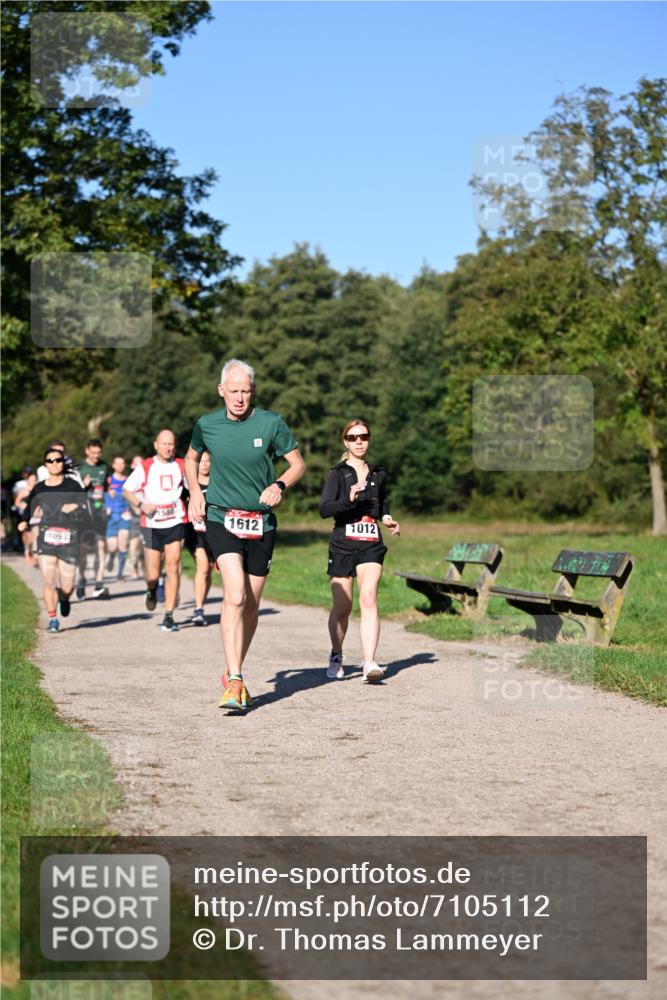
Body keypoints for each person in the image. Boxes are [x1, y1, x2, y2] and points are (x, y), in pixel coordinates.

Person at [185, 359, 306, 712]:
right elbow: (190, 459)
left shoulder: (271, 423)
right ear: (221, 390)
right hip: (221, 518)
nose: (239, 397)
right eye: (233, 391)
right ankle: (236, 680)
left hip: (261, 523)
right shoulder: (207, 424)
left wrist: (279, 484)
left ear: (253, 391)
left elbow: (297, 463)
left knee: (251, 605)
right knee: (235, 596)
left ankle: (232, 668)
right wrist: (195, 492)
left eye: (245, 391)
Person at [319, 418, 400, 682]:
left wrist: (387, 518)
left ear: (369, 439)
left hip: (370, 542)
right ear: (345, 441)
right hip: (343, 541)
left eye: (363, 436)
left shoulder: (378, 473)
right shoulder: (337, 473)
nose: (359, 441)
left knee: (369, 598)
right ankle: (336, 654)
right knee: (343, 606)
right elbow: (324, 510)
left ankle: (369, 662)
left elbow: (383, 502)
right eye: (353, 437)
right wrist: (348, 499)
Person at [17, 448, 90, 633]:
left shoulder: (73, 485)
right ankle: (52, 619)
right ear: (45, 464)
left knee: (67, 586)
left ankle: (64, 598)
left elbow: (84, 509)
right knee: (49, 582)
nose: (54, 463)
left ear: (62, 462)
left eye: (57, 460)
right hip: (47, 539)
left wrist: (71, 508)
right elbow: (29, 507)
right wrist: (24, 521)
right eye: (50, 460)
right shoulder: (40, 487)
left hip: (69, 539)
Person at [123, 429, 187, 632]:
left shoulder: (181, 465)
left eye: (171, 444)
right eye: (164, 443)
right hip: (151, 524)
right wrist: (141, 505)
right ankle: (151, 589)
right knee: (152, 573)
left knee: (173, 564)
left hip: (175, 520)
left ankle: (169, 615)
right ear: (156, 445)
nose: (168, 448)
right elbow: (127, 489)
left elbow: (194, 486)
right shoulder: (146, 466)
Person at [183, 450, 216, 626]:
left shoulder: (219, 482)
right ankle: (198, 609)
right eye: (202, 461)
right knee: (203, 566)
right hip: (195, 532)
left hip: (215, 532)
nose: (205, 464)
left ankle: (201, 605)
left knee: (208, 569)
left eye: (208, 461)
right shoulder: (189, 484)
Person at [77, 438, 109, 599]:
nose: (96, 455)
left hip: (99, 514)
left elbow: (108, 488)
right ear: (87, 451)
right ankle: (81, 579)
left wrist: (109, 501)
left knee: (101, 547)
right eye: (93, 452)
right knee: (82, 552)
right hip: (84, 515)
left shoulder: (104, 466)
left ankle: (98, 583)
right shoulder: (80, 468)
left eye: (99, 452)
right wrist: (83, 484)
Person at [104, 455, 131, 579]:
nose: (120, 466)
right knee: (112, 546)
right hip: (111, 517)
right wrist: (106, 506)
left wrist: (130, 508)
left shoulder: (128, 481)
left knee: (123, 544)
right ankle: (111, 557)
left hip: (124, 516)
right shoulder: (108, 481)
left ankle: (120, 573)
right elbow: (101, 496)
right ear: (113, 465)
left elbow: (132, 497)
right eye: (118, 463)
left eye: (122, 463)